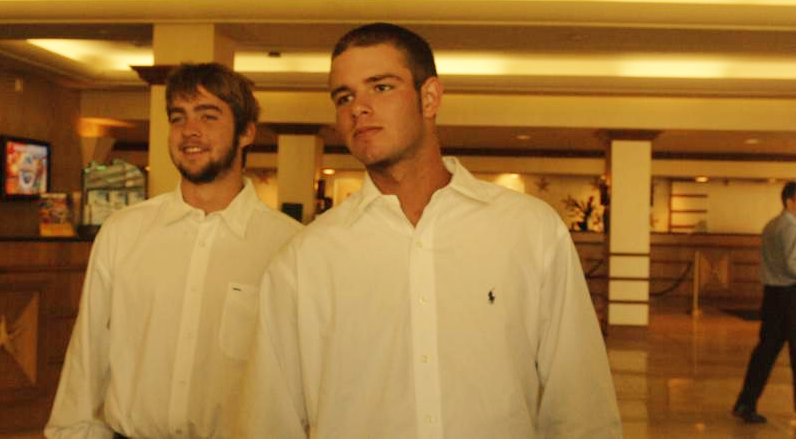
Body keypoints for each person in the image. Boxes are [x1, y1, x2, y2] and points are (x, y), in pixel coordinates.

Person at [237, 23, 622, 438]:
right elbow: (269, 422)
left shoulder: (529, 231)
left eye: (381, 87)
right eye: (344, 97)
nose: (358, 108)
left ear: (430, 97)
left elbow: (581, 407)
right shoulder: (305, 260)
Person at [46, 63, 301, 438]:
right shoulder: (124, 232)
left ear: (246, 132)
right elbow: (88, 355)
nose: (189, 130)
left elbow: (300, 376)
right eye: (178, 117)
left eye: (208, 116)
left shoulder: (288, 245)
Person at [733, 181, 796, 424]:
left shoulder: (771, 225)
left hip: (773, 296)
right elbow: (792, 265)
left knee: (765, 352)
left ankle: (745, 403)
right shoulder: (791, 228)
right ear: (790, 201)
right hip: (790, 296)